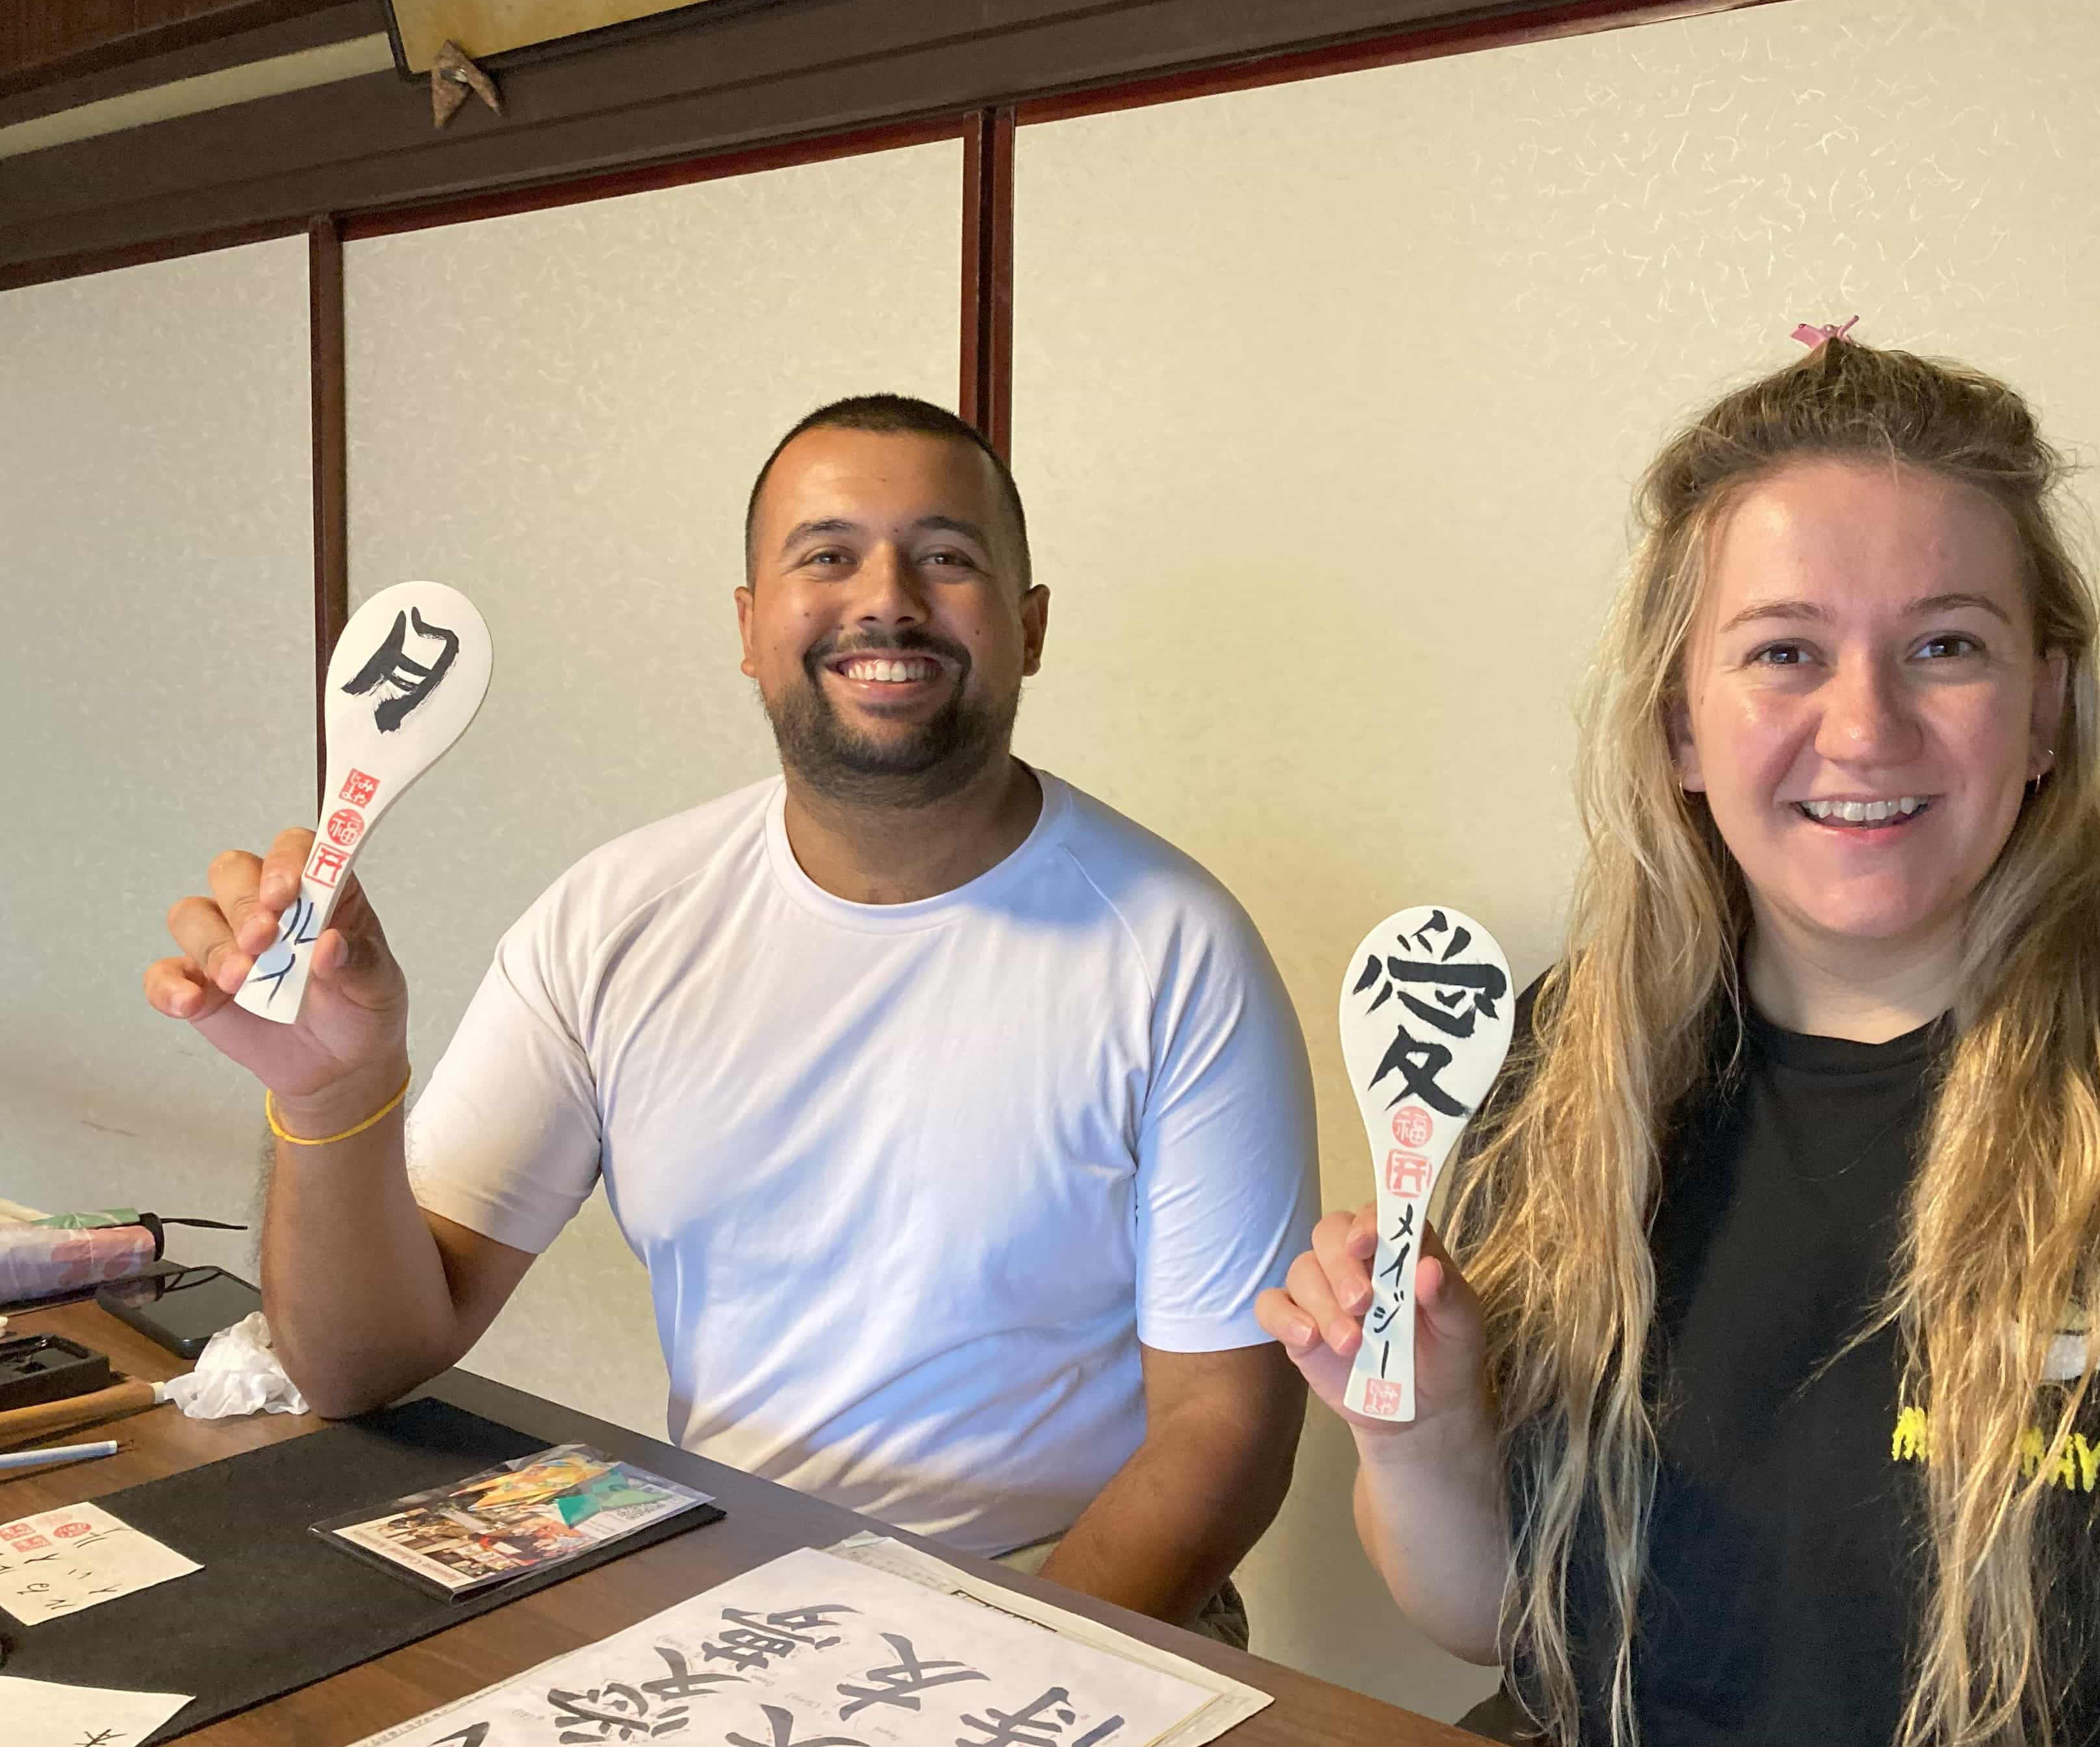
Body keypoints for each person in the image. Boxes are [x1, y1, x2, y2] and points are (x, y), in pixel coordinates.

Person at [1260, 337, 2100, 1747]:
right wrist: (1420, 1433)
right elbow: (1492, 1628)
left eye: (1947, 646)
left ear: (2045, 706)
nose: (1864, 728)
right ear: (1681, 725)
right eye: (1785, 651)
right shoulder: (1573, 1056)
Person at [146, 394, 1316, 1644]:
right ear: (752, 631)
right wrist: (334, 1100)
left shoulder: (1179, 947)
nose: (886, 599)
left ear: (1029, 627)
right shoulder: (614, 919)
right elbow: (358, 1363)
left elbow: (1225, 1428)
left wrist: (978, 1678)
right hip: (727, 1592)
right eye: (827, 555)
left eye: (948, 556)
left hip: (1071, 1604)